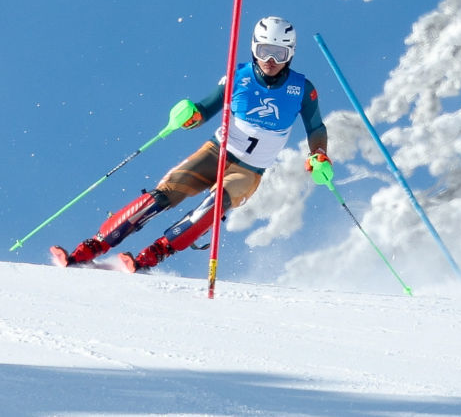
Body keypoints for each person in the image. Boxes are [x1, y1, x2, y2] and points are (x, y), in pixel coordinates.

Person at [51, 16, 330, 273]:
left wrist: (318, 155)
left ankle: (154, 254)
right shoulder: (238, 77)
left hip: (249, 170)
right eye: (264, 50)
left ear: (290, 54)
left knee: (214, 203)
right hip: (216, 152)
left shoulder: (302, 89)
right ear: (253, 48)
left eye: (279, 53)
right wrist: (188, 115)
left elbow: (316, 127)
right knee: (163, 194)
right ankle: (92, 247)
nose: (270, 60)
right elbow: (205, 110)